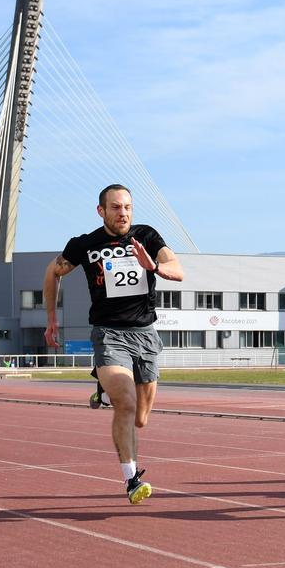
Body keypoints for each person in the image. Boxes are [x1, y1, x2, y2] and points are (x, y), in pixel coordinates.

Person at [43, 184, 183, 504]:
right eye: (116, 207)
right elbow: (53, 272)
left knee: (141, 418)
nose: (123, 213)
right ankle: (131, 478)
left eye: (128, 207)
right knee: (126, 403)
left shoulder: (147, 236)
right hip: (109, 334)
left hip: (146, 334)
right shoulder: (86, 245)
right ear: (101, 211)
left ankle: (104, 387)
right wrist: (52, 318)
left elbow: (178, 269)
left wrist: (154, 267)